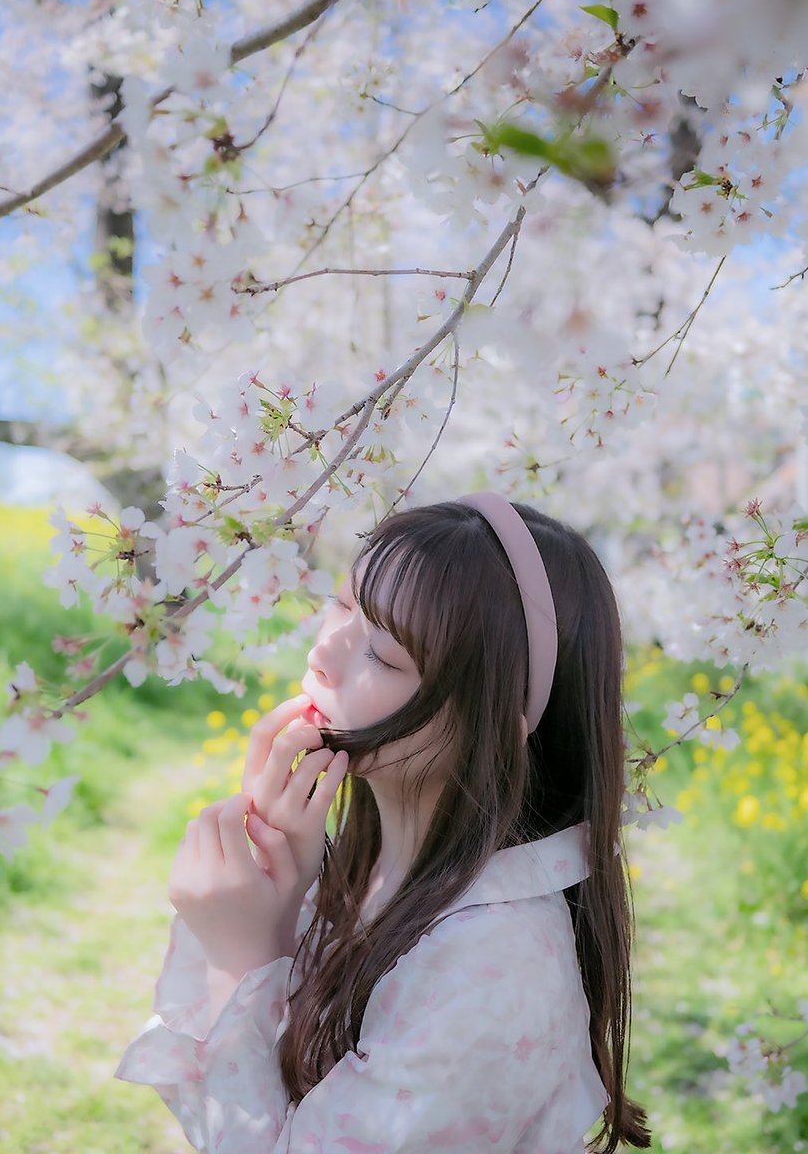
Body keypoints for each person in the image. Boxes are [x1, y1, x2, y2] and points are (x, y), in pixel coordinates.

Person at [114, 491, 652, 1153]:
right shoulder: (369, 867)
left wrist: (240, 960)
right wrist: (276, 898)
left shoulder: (490, 970)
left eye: (384, 654)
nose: (323, 656)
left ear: (490, 725)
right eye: (341, 603)